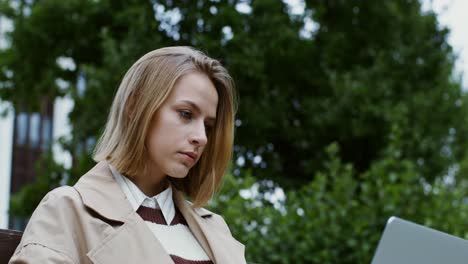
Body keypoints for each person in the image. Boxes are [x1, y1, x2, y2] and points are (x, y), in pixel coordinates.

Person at [9, 46, 246, 264]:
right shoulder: (67, 210)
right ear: (134, 107)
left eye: (209, 126)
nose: (201, 137)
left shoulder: (216, 229)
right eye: (186, 114)